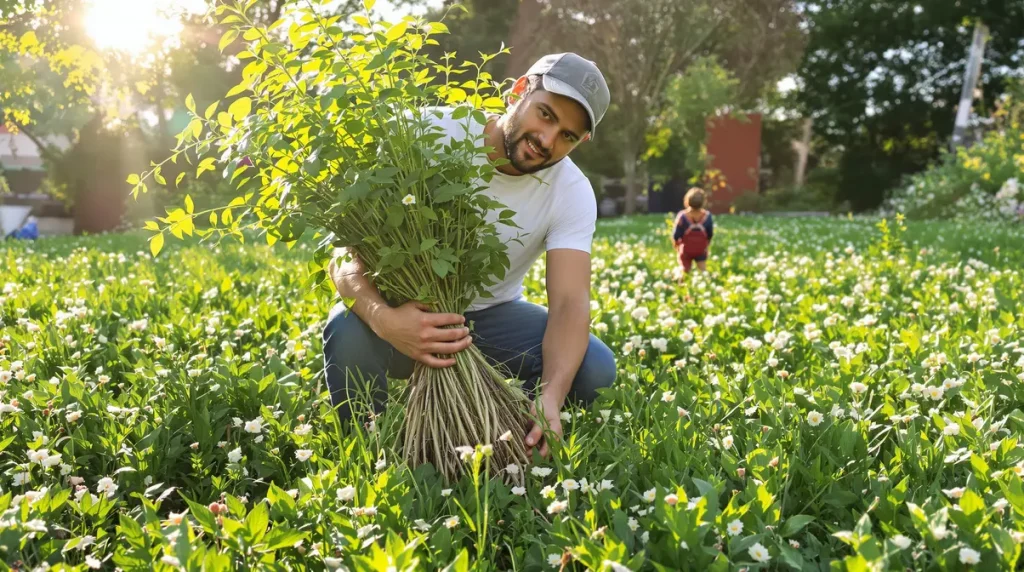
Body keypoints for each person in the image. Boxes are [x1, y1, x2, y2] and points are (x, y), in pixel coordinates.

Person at [323, 53, 616, 458]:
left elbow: (570, 301)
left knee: (595, 368)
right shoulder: (427, 134)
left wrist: (551, 397)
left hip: (492, 317)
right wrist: (386, 320)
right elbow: (342, 257)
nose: (547, 141)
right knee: (348, 329)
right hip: (405, 307)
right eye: (545, 115)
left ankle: (517, 434)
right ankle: (368, 453)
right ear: (519, 91)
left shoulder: (571, 190)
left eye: (567, 136)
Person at [672, 187, 714, 273]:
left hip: (686, 249)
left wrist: (676, 244)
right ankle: (705, 284)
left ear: (687, 200)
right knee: (702, 269)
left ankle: (682, 284)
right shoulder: (707, 216)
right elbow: (710, 233)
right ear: (703, 202)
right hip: (701, 249)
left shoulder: (682, 216)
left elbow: (676, 235)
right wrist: (707, 244)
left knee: (684, 269)